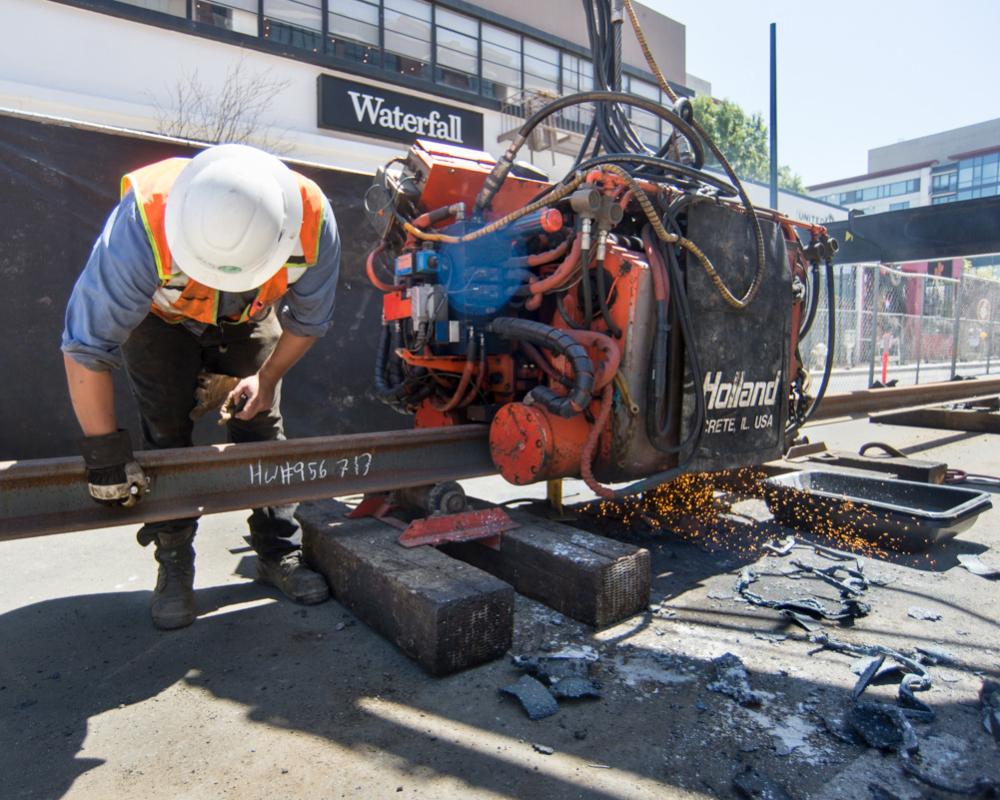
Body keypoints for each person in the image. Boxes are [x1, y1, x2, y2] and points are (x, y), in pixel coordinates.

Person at [62, 144, 341, 630]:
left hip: (250, 317)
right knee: (165, 432)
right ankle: (174, 561)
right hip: (161, 319)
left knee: (262, 425)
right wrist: (105, 456)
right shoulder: (144, 218)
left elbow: (309, 319)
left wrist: (267, 378)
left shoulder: (313, 219)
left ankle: (278, 552)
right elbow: (86, 345)